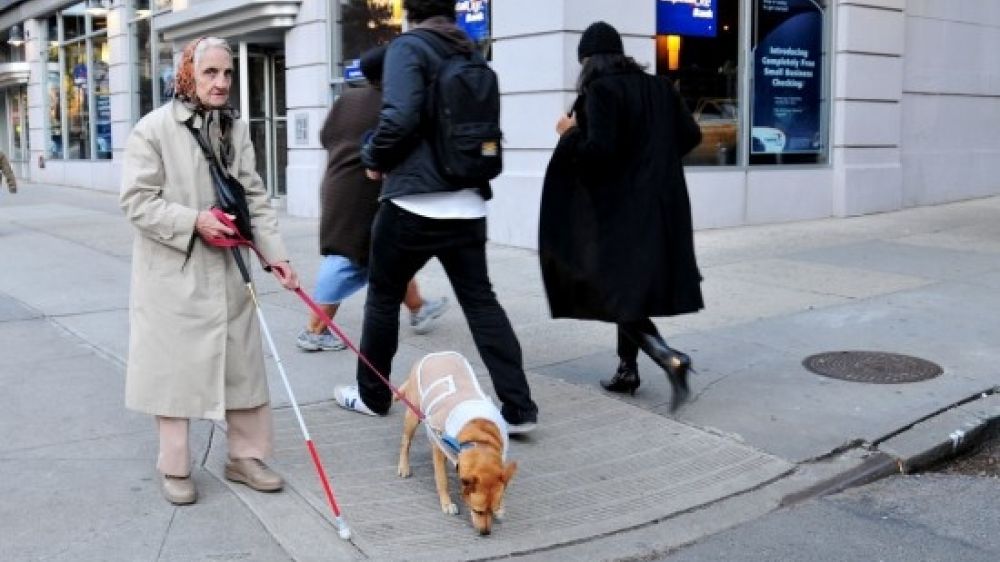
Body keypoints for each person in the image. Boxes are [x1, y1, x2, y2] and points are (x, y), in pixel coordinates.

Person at [333, 0, 539, 434]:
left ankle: (372, 395)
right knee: (482, 303)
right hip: (467, 203)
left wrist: (373, 156)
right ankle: (519, 409)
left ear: (411, 10)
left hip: (413, 203)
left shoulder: (410, 48)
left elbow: (400, 118)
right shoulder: (471, 52)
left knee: (384, 297)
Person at [120, 37, 300, 505]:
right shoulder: (152, 130)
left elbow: (254, 195)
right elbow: (137, 203)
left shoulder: (233, 129)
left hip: (228, 268)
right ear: (188, 75)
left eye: (226, 74)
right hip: (174, 274)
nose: (221, 83)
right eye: (210, 74)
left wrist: (275, 255)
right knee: (175, 373)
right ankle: (175, 466)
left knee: (243, 365)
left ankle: (244, 457)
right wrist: (193, 221)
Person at [539, 22, 704, 412]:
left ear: (589, 60)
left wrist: (569, 132)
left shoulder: (599, 90)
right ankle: (627, 371)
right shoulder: (661, 87)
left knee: (608, 289)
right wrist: (655, 158)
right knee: (627, 289)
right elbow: (691, 136)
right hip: (663, 206)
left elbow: (600, 151)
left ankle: (668, 357)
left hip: (619, 211)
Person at [296, 45, 448, 353]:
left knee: (386, 256)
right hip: (362, 191)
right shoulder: (392, 103)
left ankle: (418, 308)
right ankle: (314, 329)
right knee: (347, 258)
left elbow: (326, 137)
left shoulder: (348, 99)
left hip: (338, 183)